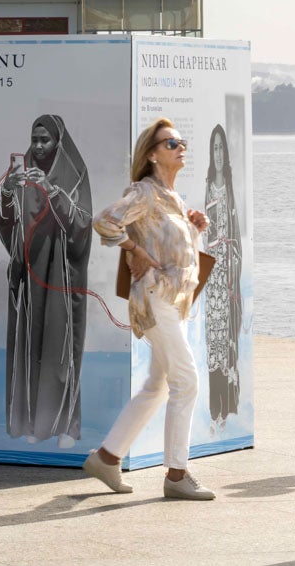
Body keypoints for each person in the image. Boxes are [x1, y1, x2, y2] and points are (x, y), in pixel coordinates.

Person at [84, 118, 216, 501]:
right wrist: (135, 252)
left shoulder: (172, 197)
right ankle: (177, 475)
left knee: (157, 386)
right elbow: (105, 221)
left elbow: (172, 247)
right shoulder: (144, 192)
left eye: (181, 141)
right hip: (156, 299)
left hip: (175, 301)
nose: (180, 147)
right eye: (171, 143)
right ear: (153, 154)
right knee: (186, 380)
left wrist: (195, 228)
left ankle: (107, 458)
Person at [0, 115, 92, 448]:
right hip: (31, 277)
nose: (37, 147)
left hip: (62, 279)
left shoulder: (75, 176)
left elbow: (82, 227)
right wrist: (8, 193)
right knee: (30, 349)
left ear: (58, 142)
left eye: (44, 140)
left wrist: (53, 191)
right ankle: (33, 424)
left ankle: (67, 426)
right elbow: (10, 231)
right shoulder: (23, 177)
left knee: (62, 350)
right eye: (34, 140)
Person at [203, 124, 243, 430]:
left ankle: (228, 407)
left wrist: (231, 269)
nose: (218, 154)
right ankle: (214, 408)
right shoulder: (208, 185)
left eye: (221, 148)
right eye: (214, 148)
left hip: (227, 274)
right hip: (211, 276)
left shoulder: (229, 186)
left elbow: (235, 234)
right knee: (212, 342)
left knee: (226, 339)